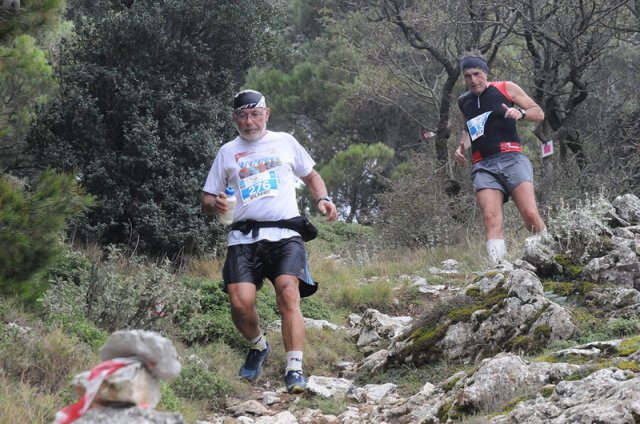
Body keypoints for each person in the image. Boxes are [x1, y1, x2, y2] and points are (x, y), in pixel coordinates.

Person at [201, 89, 338, 394]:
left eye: (255, 114)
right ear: (235, 118)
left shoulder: (285, 142)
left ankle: (294, 368)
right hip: (243, 237)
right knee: (240, 303)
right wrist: (215, 204)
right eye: (243, 116)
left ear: (267, 114)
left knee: (288, 292)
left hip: (285, 234)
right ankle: (259, 346)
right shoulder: (227, 151)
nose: (249, 121)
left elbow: (312, 176)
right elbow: (207, 197)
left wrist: (323, 199)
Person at [454, 52, 546, 263]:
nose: (473, 80)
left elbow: (538, 113)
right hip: (483, 165)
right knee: (490, 217)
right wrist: (461, 148)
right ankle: (499, 269)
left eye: (477, 74)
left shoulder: (506, 88)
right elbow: (468, 129)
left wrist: (521, 114)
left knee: (530, 214)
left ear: (485, 72)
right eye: (467, 76)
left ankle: (548, 252)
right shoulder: (463, 101)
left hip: (512, 158)